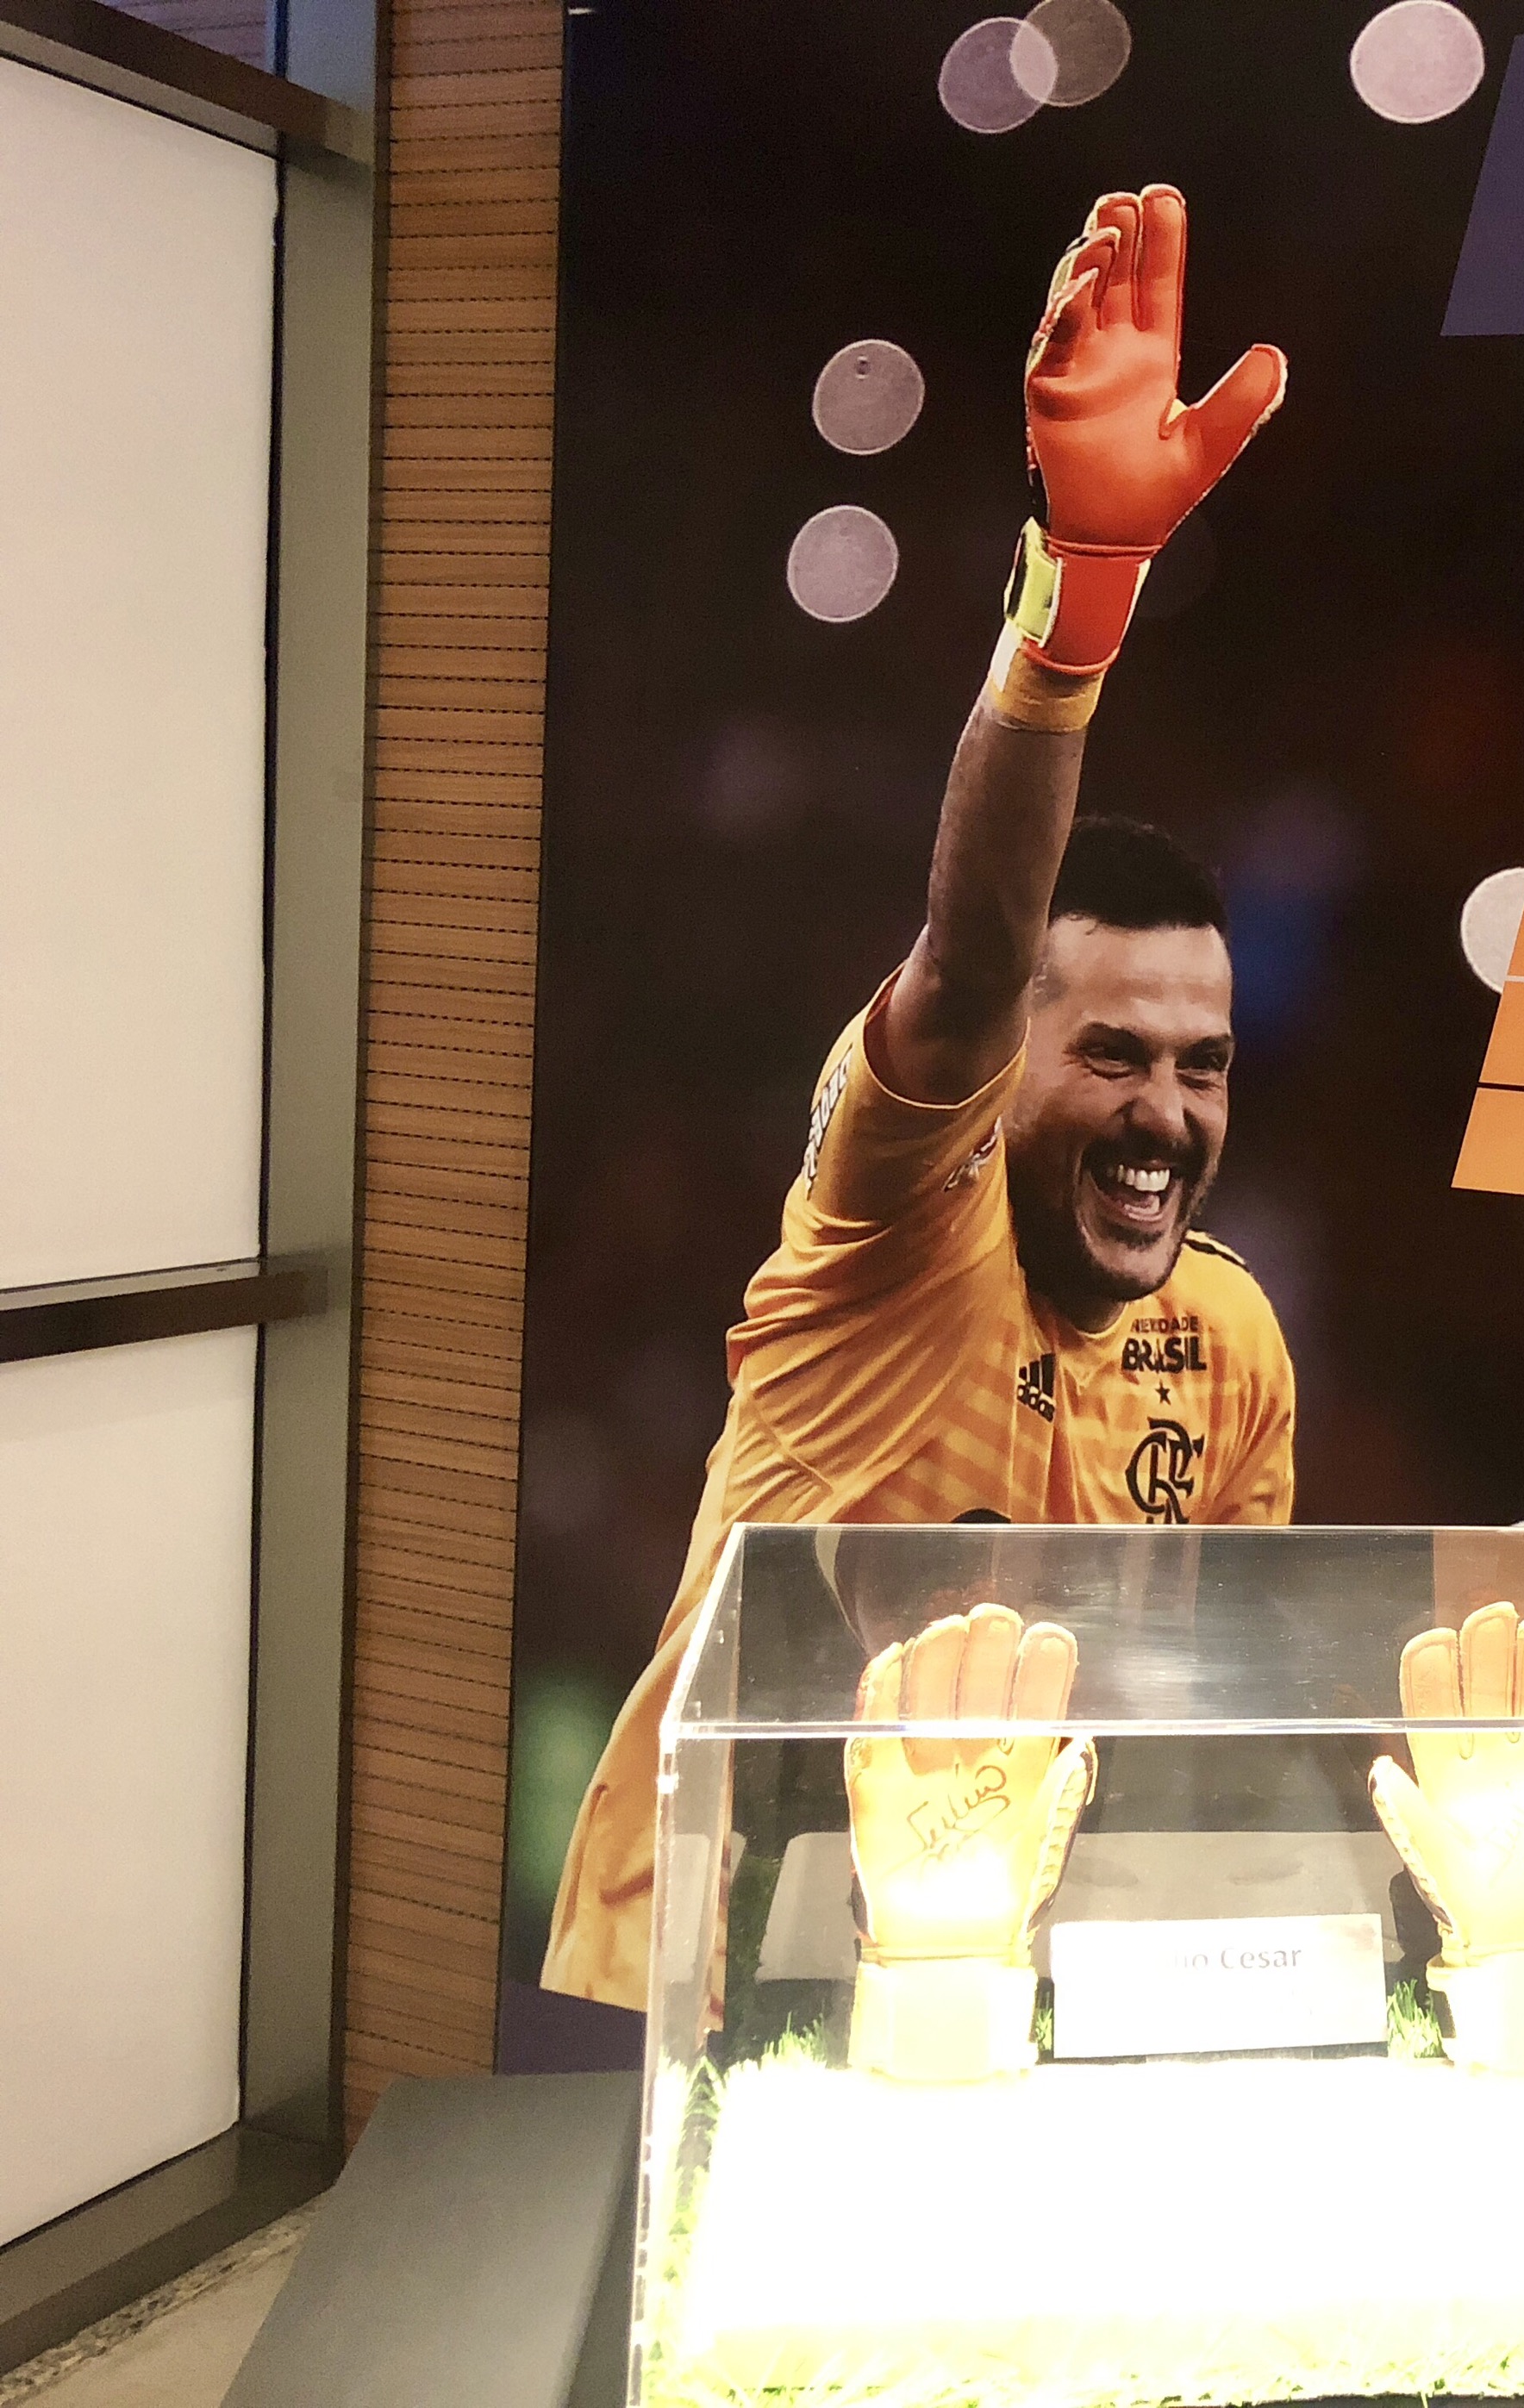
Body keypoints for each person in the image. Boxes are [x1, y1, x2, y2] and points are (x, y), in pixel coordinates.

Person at [540, 185, 1295, 2006]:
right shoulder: (890, 1238)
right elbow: (965, 969)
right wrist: (1074, 620)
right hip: (721, 1976)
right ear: (1009, 1072)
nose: (1164, 1113)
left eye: (1200, 1065)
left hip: (1026, 1972)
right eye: (1109, 1053)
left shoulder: (1231, 1347)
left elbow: (1220, 1702)